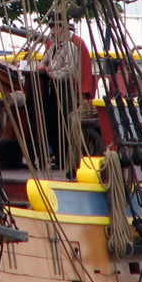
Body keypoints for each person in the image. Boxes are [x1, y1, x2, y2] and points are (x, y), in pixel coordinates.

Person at [37, 18, 91, 175]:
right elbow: (42, 63)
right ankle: (59, 158)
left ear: (63, 29)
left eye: (55, 28)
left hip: (66, 88)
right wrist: (44, 68)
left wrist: (49, 72)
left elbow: (68, 71)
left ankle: (67, 160)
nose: (52, 32)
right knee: (52, 123)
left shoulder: (72, 47)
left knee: (65, 123)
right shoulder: (53, 47)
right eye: (52, 28)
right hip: (53, 89)